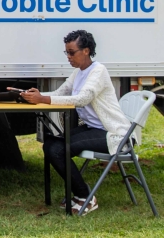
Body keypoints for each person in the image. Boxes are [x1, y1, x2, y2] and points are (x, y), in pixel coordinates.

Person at [15, 29, 131, 216]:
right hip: (92, 129)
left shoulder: (98, 71)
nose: (68, 57)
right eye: (66, 52)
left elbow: (82, 98)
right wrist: (36, 96)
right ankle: (81, 193)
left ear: (86, 51)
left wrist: (42, 100)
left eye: (71, 52)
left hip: (113, 134)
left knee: (57, 149)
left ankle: (85, 196)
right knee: (50, 145)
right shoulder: (78, 72)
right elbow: (61, 93)